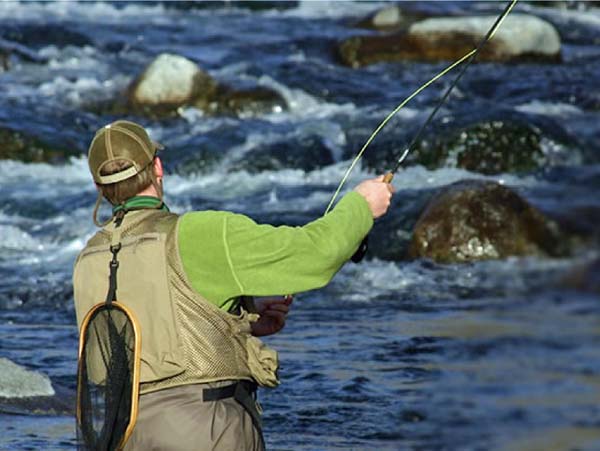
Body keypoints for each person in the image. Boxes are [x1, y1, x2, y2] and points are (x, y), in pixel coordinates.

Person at [73, 120, 394, 450]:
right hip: (207, 430)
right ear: (158, 167)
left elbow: (124, 355)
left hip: (121, 438)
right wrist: (361, 206)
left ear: (100, 187)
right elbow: (315, 254)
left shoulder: (88, 259)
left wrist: (241, 324)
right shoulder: (202, 233)